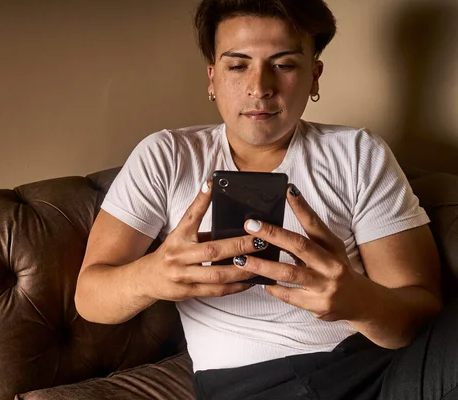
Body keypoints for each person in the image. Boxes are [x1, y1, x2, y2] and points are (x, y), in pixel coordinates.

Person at [74, 1, 457, 399]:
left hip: (386, 368)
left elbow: (422, 310)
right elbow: (90, 296)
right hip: (251, 385)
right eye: (237, 66)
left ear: (314, 76)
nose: (260, 87)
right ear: (212, 79)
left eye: (285, 64)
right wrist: (154, 275)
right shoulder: (167, 156)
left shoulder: (359, 152)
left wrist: (360, 302)